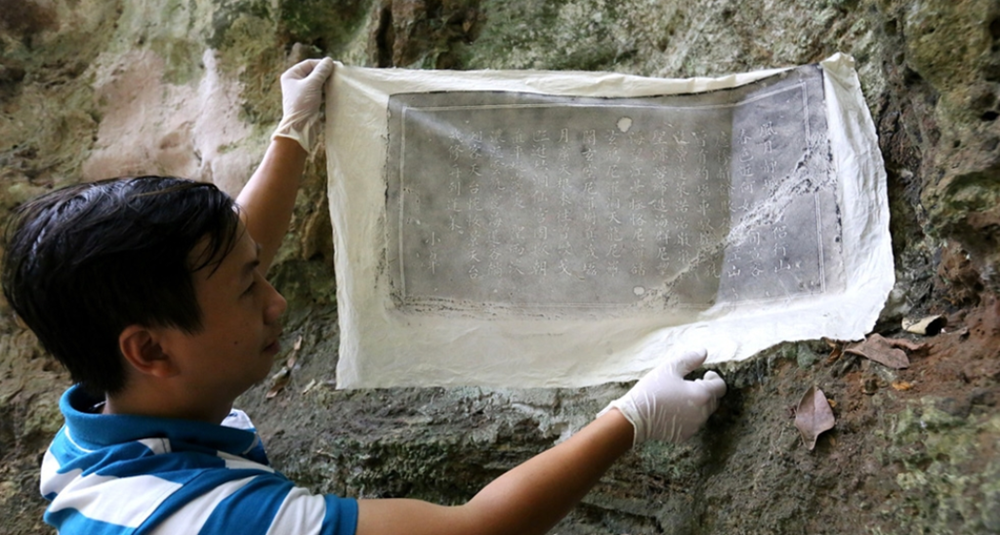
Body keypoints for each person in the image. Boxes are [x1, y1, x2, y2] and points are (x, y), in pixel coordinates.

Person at [0, 58, 727, 535]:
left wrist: (293, 134)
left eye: (260, 275)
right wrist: (629, 418)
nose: (278, 303)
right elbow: (470, 531)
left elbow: (231, 251)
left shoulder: (95, 427)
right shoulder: (216, 520)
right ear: (150, 348)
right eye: (251, 290)